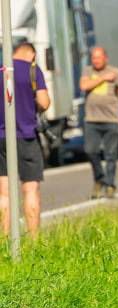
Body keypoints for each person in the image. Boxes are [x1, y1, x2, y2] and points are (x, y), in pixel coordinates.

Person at [0, 42, 50, 239]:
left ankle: (4, 240)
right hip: (26, 136)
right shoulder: (32, 69)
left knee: (3, 193)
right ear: (32, 55)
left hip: (1, 138)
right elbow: (44, 102)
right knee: (30, 189)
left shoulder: (2, 68)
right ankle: (34, 239)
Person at [80, 46, 118, 199]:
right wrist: (102, 78)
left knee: (111, 154)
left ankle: (110, 184)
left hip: (111, 119)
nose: (96, 60)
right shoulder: (88, 71)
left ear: (105, 58)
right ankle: (99, 178)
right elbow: (84, 86)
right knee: (90, 150)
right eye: (93, 57)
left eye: (99, 57)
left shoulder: (115, 72)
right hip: (92, 119)